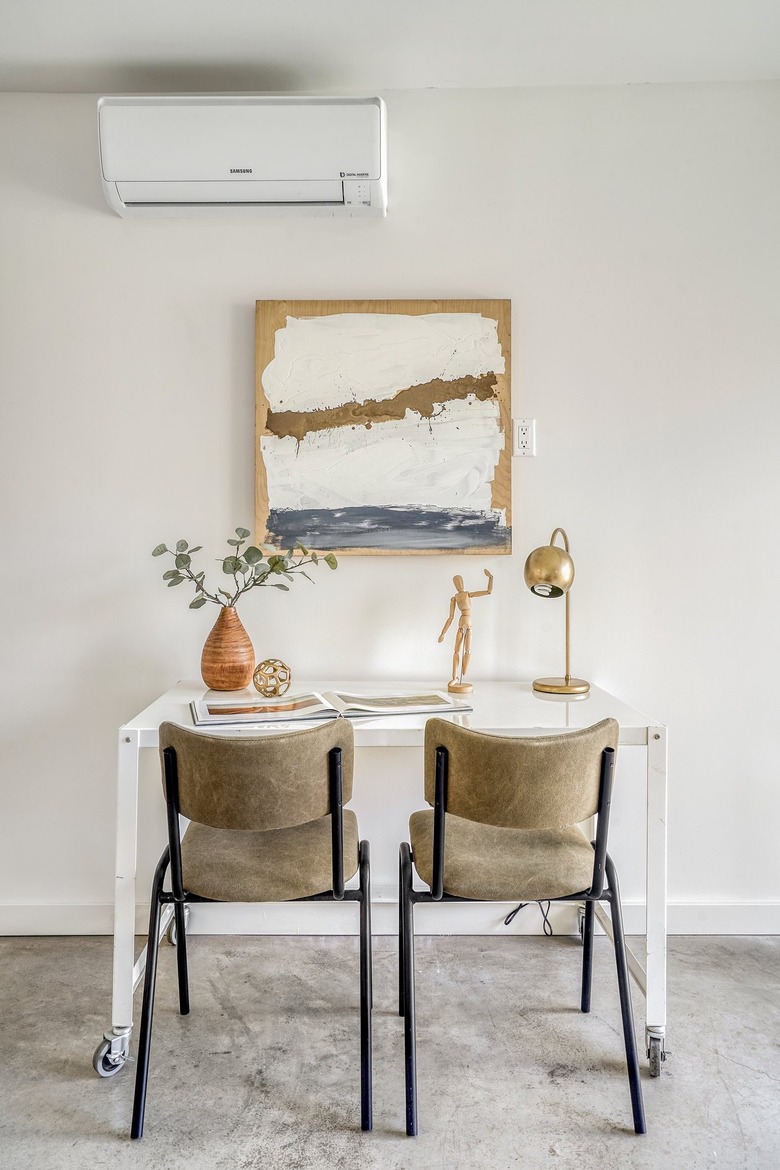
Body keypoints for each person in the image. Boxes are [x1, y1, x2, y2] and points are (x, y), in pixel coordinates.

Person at [438, 569, 493, 692]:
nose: (459, 585)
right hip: (461, 623)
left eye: (460, 582)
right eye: (456, 583)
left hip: (468, 624)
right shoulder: (454, 599)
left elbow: (488, 591)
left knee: (467, 650)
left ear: (463, 583)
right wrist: (443, 633)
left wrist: (490, 578)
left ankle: (464, 670)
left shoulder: (469, 594)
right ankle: (455, 677)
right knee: (456, 651)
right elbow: (450, 617)